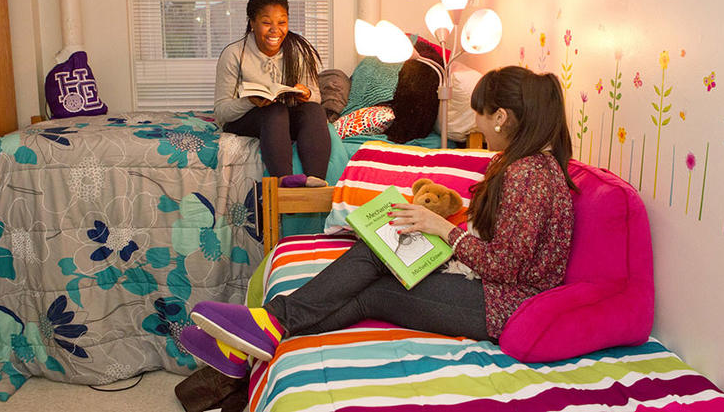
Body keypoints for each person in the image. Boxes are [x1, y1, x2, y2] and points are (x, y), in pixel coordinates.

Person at [181, 65, 577, 377]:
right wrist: (427, 227)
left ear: (503, 117)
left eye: (481, 118)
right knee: (379, 250)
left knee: (373, 285)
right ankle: (256, 336)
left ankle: (266, 326)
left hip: (503, 307)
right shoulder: (525, 167)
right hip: (490, 291)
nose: (477, 127)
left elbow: (506, 266)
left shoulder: (530, 174)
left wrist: (442, 229)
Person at [214, 0, 330, 188]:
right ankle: (285, 180)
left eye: (282, 22)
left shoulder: (299, 51)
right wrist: (249, 102)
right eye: (266, 23)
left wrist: (306, 94)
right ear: (252, 23)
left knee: (313, 109)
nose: (275, 30)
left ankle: (316, 182)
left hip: (285, 118)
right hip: (247, 119)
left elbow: (317, 96)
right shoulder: (233, 54)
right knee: (274, 110)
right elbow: (221, 112)